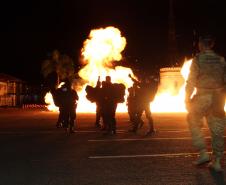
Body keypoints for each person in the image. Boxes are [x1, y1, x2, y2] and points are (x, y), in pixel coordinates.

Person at [185, 35, 226, 172]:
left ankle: (203, 153)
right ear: (212, 45)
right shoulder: (221, 60)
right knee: (218, 130)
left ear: (201, 45)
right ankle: (218, 161)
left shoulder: (197, 60)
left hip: (202, 96)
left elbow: (191, 81)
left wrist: (187, 97)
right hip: (218, 97)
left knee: (192, 119)